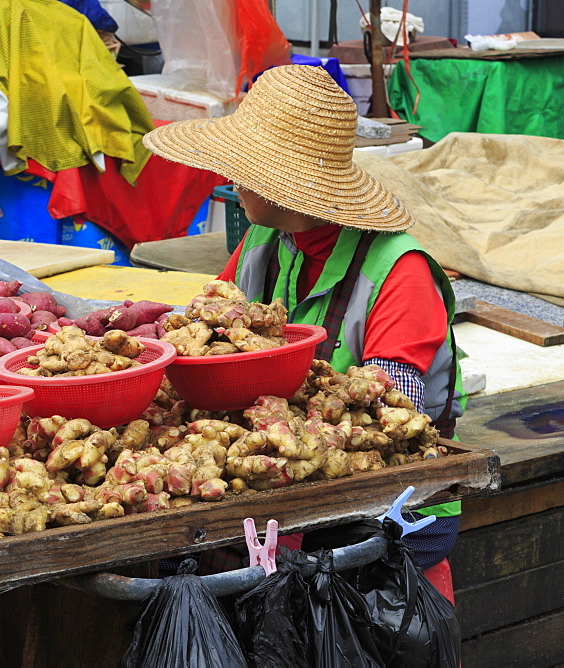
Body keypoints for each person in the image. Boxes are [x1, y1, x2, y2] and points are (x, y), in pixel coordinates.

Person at [142, 64, 465, 571]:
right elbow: (205, 333)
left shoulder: (400, 272)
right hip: (287, 502)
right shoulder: (264, 238)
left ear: (285, 185)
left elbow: (389, 424)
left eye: (244, 167)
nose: (230, 179)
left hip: (392, 516)